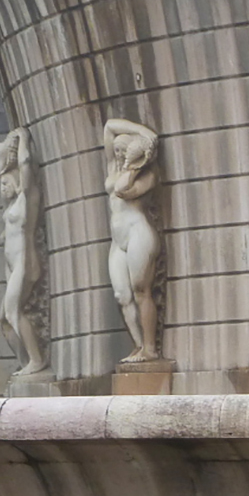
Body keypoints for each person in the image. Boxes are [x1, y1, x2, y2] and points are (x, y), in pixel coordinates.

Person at [103, 118, 161, 362]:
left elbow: (122, 190)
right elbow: (109, 127)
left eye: (122, 150)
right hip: (118, 239)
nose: (117, 154)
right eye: (116, 150)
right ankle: (138, 345)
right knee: (122, 295)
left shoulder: (148, 176)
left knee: (141, 290)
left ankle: (150, 349)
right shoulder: (112, 170)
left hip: (139, 232)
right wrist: (146, 135)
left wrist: (136, 163)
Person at [0, 127, 48, 375]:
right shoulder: (11, 207)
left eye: (5, 183)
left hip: (25, 262)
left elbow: (25, 163)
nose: (2, 188)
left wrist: (23, 138)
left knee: (12, 312)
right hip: (12, 264)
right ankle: (26, 361)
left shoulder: (28, 198)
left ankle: (37, 360)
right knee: (4, 320)